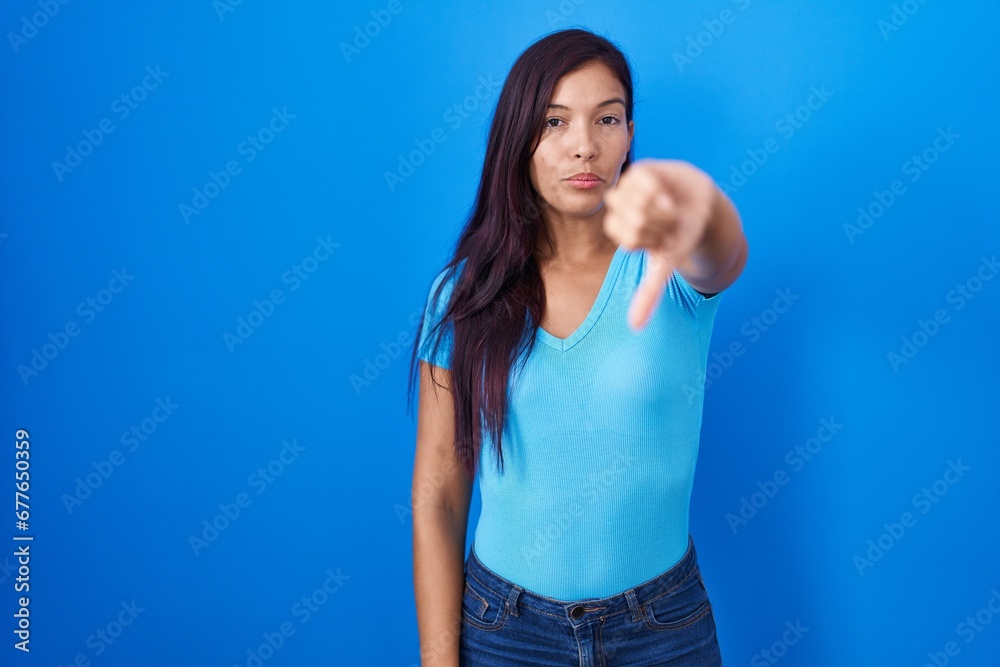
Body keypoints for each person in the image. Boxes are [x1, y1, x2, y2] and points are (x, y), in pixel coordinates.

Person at [407, 27, 748, 667]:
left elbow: (724, 254)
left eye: (607, 119)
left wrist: (702, 207)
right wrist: (438, 660)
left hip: (661, 629)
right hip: (504, 630)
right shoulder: (465, 293)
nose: (584, 146)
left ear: (630, 135)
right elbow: (439, 493)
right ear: (519, 140)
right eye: (554, 122)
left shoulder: (668, 266)